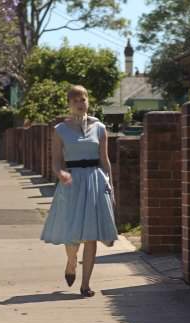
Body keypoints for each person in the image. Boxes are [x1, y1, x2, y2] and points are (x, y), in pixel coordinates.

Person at [40, 85, 117, 297]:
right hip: (72, 183)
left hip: (95, 181)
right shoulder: (60, 130)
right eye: (75, 101)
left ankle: (85, 285)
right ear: (69, 104)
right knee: (72, 235)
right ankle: (71, 261)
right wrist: (61, 174)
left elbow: (105, 160)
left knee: (91, 235)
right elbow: (56, 162)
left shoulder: (100, 128)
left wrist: (111, 188)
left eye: (83, 100)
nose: (80, 104)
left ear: (88, 102)